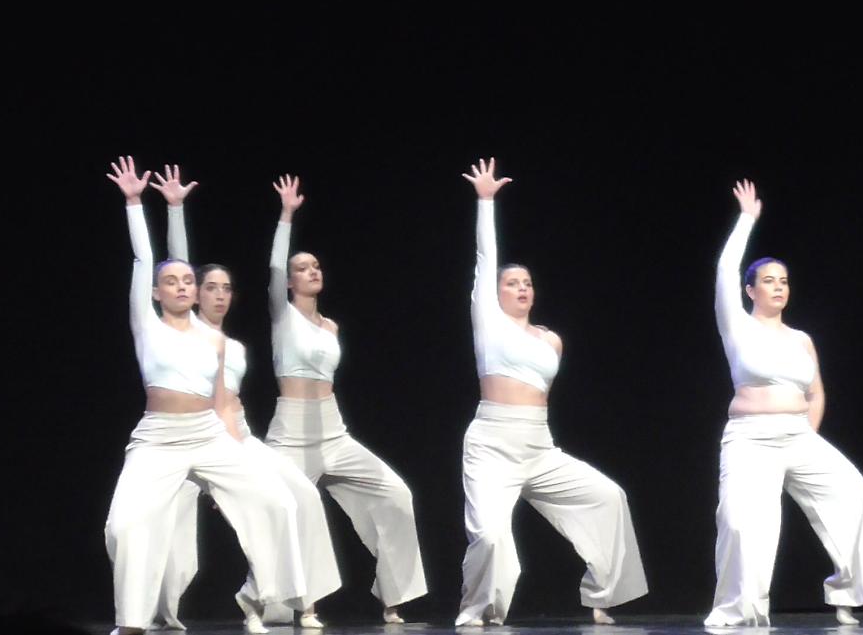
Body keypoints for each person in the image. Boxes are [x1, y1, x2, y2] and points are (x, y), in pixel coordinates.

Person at [102, 157, 305, 635]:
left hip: (208, 434)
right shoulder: (146, 324)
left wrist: (227, 468)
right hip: (157, 439)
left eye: (187, 281)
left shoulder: (210, 336)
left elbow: (220, 402)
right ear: (154, 293)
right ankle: (131, 622)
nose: (181, 286)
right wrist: (137, 202)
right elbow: (147, 261)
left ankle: (257, 598)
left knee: (275, 502)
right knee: (123, 527)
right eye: (170, 282)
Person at [144, 165, 342, 633]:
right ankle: (157, 613)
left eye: (226, 288)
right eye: (208, 287)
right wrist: (174, 210)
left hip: (237, 436)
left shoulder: (233, 345)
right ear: (191, 294)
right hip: (185, 436)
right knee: (172, 543)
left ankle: (277, 600)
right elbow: (179, 264)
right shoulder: (181, 331)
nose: (218, 295)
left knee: (297, 498)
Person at [455, 158, 648, 626]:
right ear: (495, 293)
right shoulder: (489, 322)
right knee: (490, 535)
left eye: (527, 283)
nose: (521, 288)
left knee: (609, 497)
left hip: (539, 446)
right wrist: (485, 203)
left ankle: (602, 595)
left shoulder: (550, 339)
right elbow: (486, 259)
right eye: (511, 282)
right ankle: (479, 610)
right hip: (492, 443)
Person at [704, 179, 863, 627]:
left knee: (854, 495)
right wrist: (746, 220)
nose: (778, 287)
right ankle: (740, 610)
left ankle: (847, 592)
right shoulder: (738, 326)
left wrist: (807, 434)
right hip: (750, 440)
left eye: (783, 281)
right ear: (751, 291)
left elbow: (816, 392)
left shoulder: (802, 339)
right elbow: (725, 269)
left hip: (798, 436)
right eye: (768, 281)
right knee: (743, 524)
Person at [259, 174, 428, 624]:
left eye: (316, 266)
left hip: (333, 429)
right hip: (292, 431)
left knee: (395, 494)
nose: (312, 271)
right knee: (290, 510)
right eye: (303, 268)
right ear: (291, 282)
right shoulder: (283, 316)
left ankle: (392, 595)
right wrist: (286, 215)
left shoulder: (331, 327)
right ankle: (294, 603)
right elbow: (275, 269)